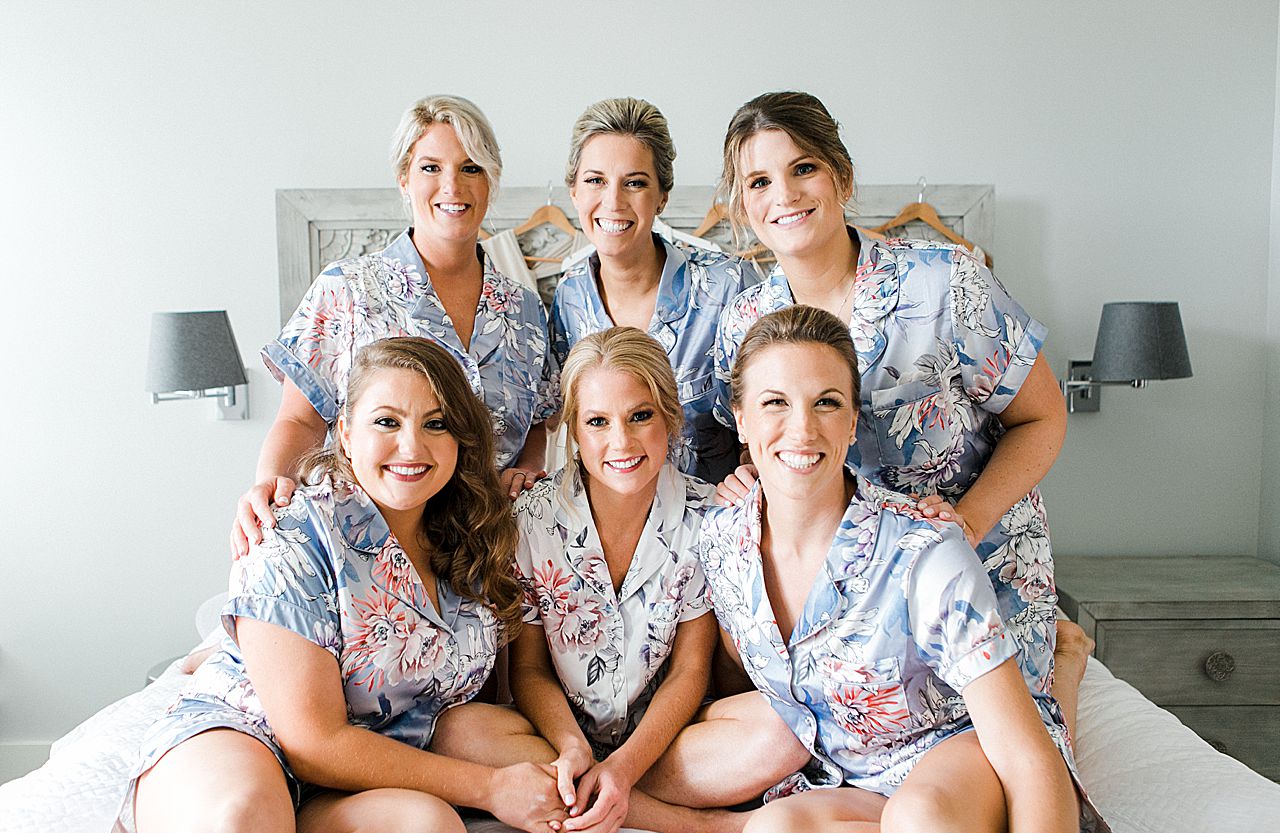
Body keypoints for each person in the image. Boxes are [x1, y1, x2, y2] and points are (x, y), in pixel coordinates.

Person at [116, 338, 571, 833]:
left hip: (352, 775)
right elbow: (311, 741)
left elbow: (490, 693)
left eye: (436, 423)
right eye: (387, 422)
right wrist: (491, 788)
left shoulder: (477, 540)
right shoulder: (292, 531)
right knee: (242, 824)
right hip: (249, 738)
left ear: (459, 442)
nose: (412, 447)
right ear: (346, 435)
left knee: (431, 832)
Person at [710, 91, 1077, 718]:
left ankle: (1067, 663)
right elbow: (761, 439)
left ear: (841, 175)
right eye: (759, 181)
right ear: (743, 204)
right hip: (852, 597)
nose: (785, 196)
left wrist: (968, 520)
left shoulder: (945, 283)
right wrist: (744, 475)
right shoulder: (746, 319)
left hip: (978, 560)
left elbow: (1043, 418)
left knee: (1009, 767)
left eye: (804, 169)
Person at [704, 305, 1112, 833]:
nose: (801, 428)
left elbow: (1022, 753)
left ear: (852, 424)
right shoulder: (721, 542)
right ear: (742, 419)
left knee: (919, 822)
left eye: (826, 403)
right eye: (775, 402)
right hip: (855, 775)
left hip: (957, 745)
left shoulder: (924, 551)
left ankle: (1061, 674)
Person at [430, 327, 810, 833]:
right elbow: (530, 669)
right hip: (554, 741)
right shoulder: (530, 520)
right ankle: (704, 826)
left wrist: (625, 769)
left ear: (670, 417)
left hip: (665, 744)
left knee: (783, 729)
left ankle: (602, 794)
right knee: (456, 732)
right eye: (597, 422)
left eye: (640, 416)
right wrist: (572, 750)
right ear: (573, 431)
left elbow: (689, 672)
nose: (621, 442)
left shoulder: (708, 519)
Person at [232, 94, 556, 559]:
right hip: (369, 548)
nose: (452, 185)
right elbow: (300, 418)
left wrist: (528, 466)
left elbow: (537, 426)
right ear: (404, 178)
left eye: (471, 168)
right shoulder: (346, 290)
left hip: (494, 550)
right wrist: (267, 492)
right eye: (430, 167)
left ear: (491, 181)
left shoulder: (524, 310)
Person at [551, 97, 760, 485]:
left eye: (634, 183)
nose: (613, 201)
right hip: (611, 523)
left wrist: (753, 468)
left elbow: (770, 410)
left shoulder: (730, 287)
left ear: (662, 196)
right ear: (574, 192)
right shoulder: (569, 298)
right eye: (596, 180)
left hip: (715, 520)